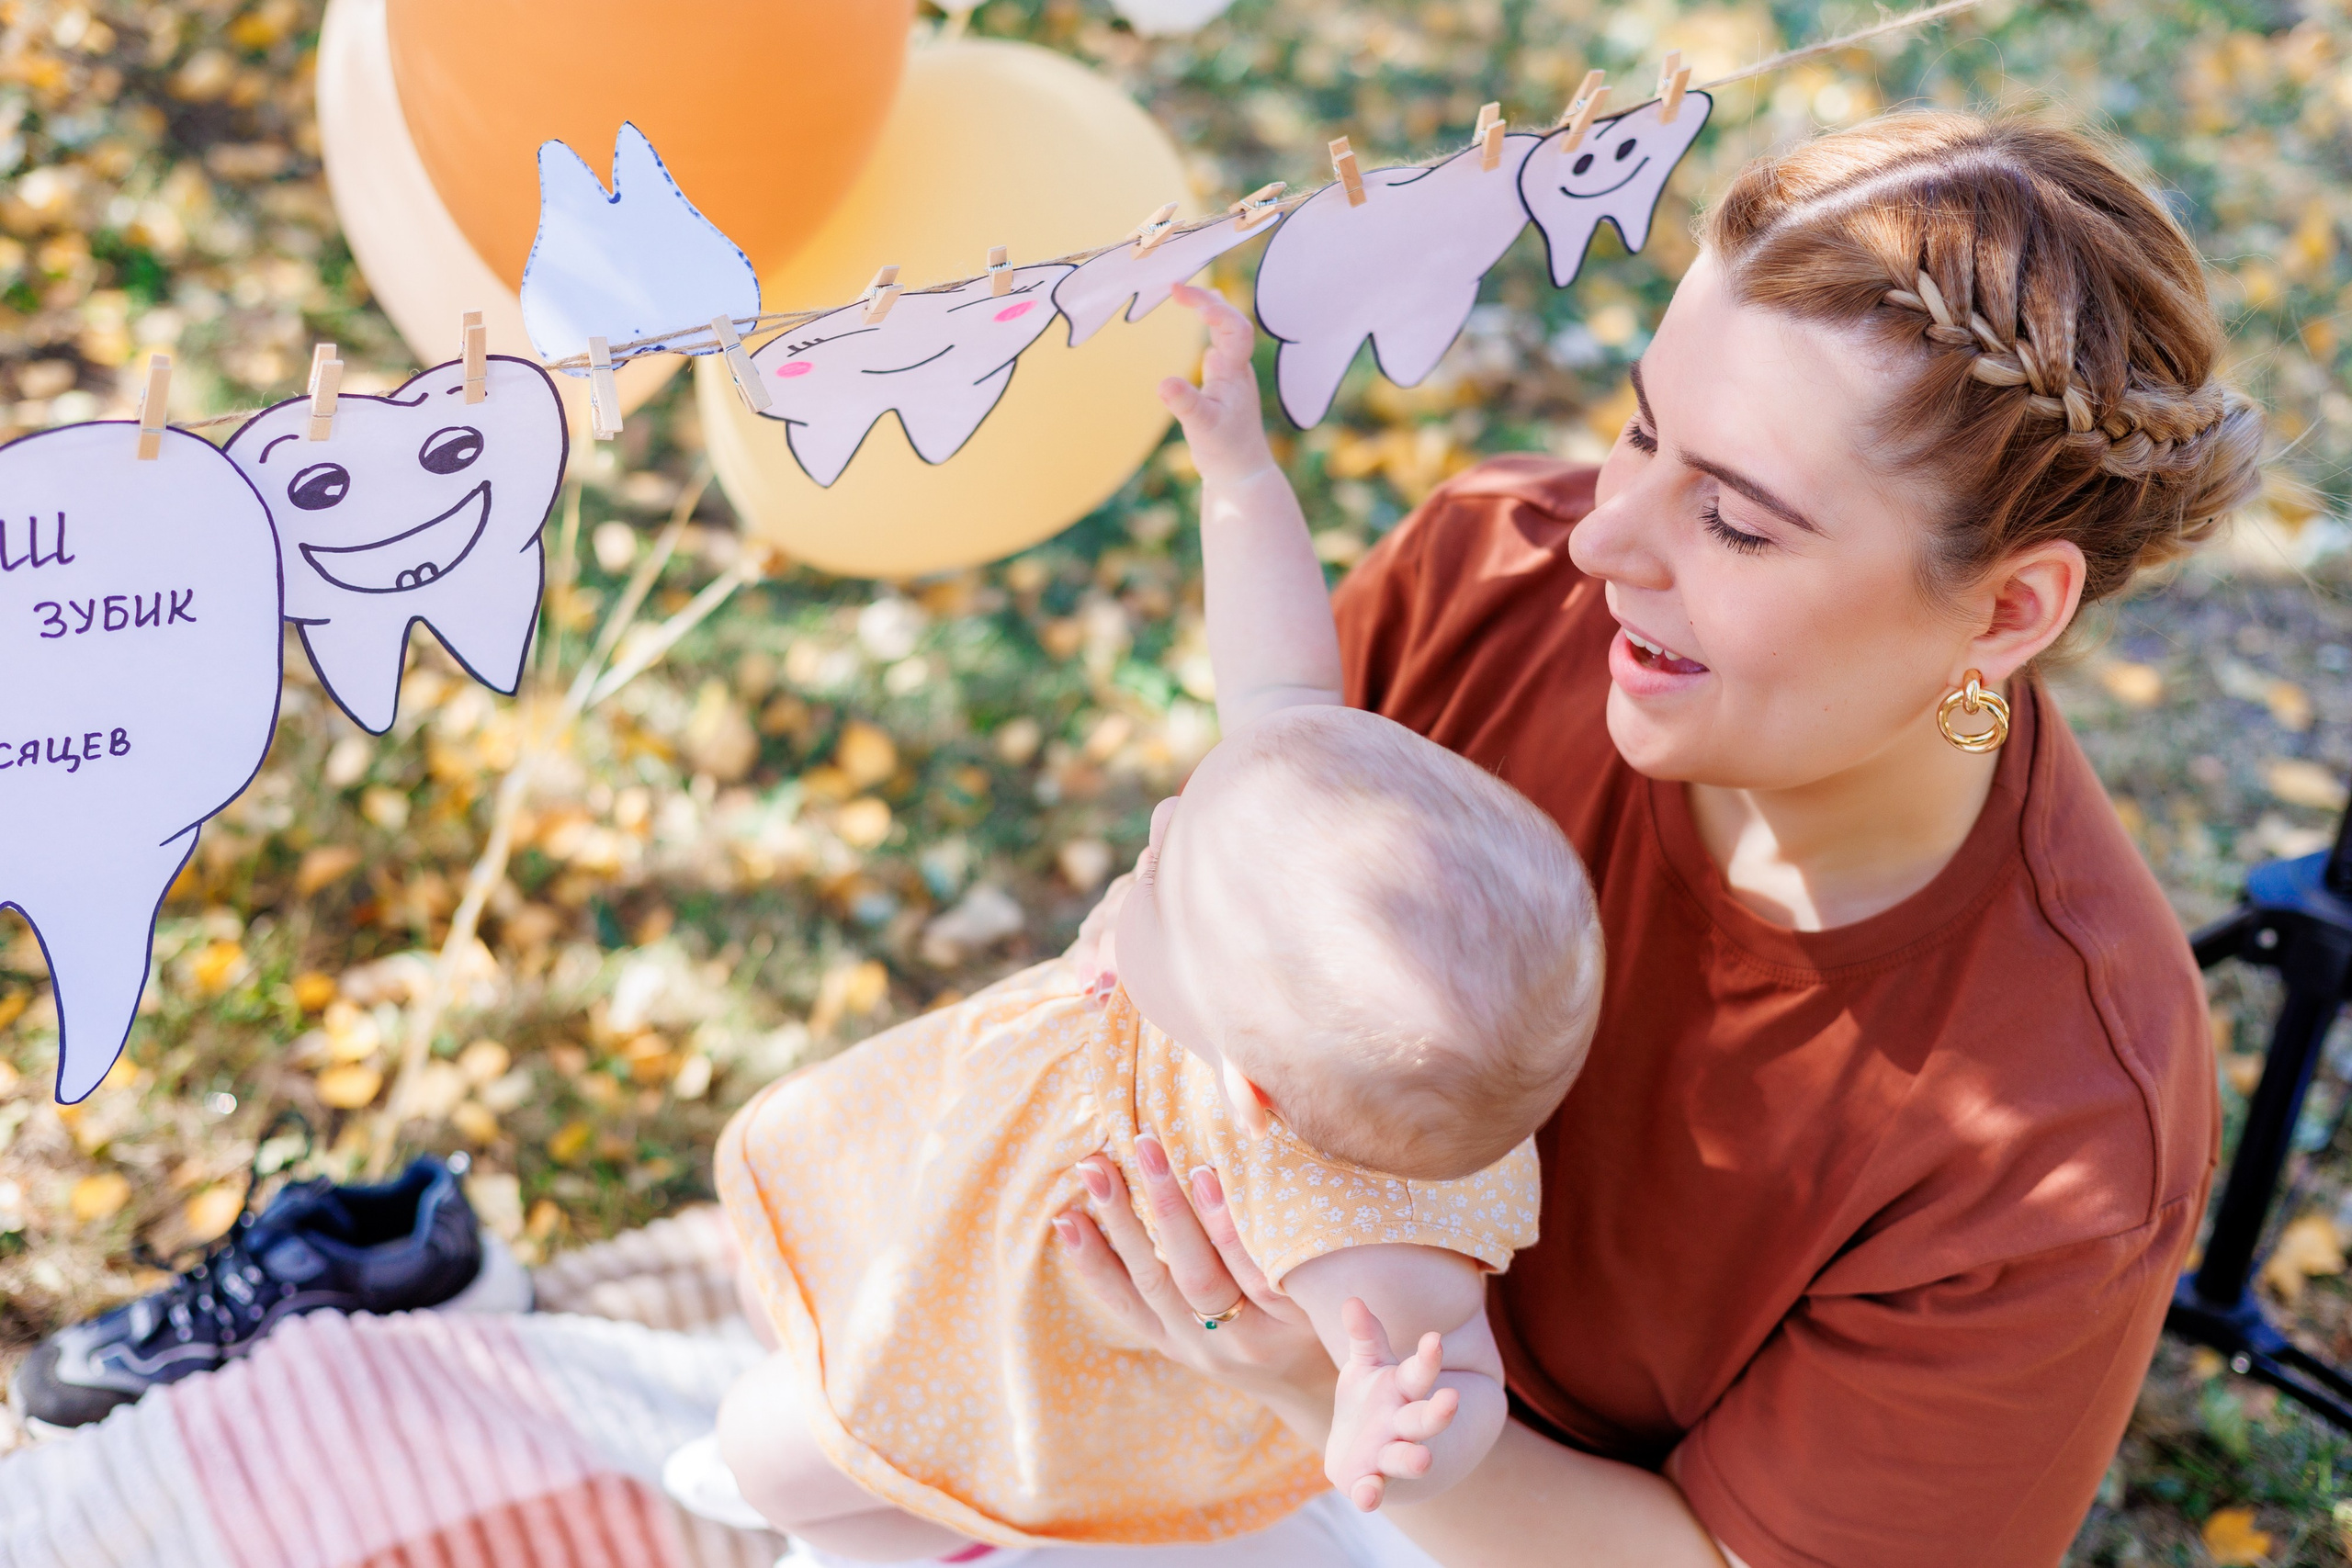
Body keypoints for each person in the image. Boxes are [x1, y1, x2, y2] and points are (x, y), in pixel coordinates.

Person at [1057, 111, 2262, 1567]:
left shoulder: (2065, 1125)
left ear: (2009, 612)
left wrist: (1326, 1395)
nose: (1599, 541)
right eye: (1638, 429)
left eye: (1734, 522)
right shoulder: (1487, 578)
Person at [706, 289, 1608, 1562]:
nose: (1162, 829)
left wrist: (1392, 1433)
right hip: (967, 1210)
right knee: (823, 1280)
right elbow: (1279, 677)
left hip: (1045, 1362)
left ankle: (918, 1513)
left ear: (1246, 1080)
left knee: (773, 1455)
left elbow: (1449, 1375)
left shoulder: (1358, 1227)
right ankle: (899, 1481)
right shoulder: (1286, 904)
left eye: (1165, 882)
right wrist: (1236, 469)